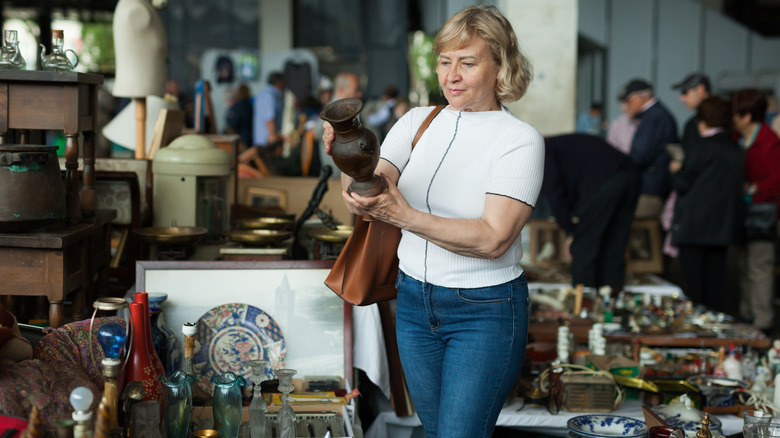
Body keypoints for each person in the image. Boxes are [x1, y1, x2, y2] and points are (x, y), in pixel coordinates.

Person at [323, 6, 543, 437]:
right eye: (445, 62)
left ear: (501, 66)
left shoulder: (519, 140)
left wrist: (406, 216)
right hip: (413, 302)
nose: (452, 76)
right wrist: (346, 159)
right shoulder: (417, 121)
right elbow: (370, 195)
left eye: (468, 62)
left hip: (485, 311)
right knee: (436, 430)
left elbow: (493, 239)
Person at [669, 96, 744, 313]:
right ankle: (715, 334)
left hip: (695, 226)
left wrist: (676, 170)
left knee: (693, 287)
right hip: (723, 226)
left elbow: (683, 184)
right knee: (717, 285)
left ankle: (695, 336)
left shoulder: (700, 147)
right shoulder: (736, 151)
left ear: (702, 121)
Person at [543, 134, 640, 292]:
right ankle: (611, 303)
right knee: (613, 244)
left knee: (582, 248)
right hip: (631, 175)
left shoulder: (541, 150)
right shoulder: (558, 144)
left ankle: (584, 309)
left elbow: (555, 193)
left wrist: (570, 231)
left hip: (606, 180)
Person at [732, 88, 780, 333]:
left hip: (763, 212)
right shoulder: (736, 138)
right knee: (742, 265)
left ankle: (763, 320)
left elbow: (776, 180)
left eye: (736, 114)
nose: (732, 119)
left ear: (747, 116)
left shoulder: (770, 142)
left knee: (759, 266)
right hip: (741, 213)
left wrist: (752, 188)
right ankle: (746, 314)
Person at [619, 78, 678, 218]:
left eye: (629, 100)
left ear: (639, 98)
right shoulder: (655, 115)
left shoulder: (654, 117)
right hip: (653, 185)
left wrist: (619, 165)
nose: (627, 106)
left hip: (650, 188)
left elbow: (641, 155)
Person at [316, 71, 363, 179]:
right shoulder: (335, 110)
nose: (359, 94)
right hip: (337, 179)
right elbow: (316, 132)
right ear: (341, 90)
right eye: (356, 90)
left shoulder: (345, 109)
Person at [672, 72, 712, 147]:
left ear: (700, 89)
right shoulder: (691, 124)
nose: (682, 99)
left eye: (685, 92)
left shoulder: (722, 119)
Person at [253, 71, 285, 151]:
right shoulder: (269, 96)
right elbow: (269, 120)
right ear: (279, 82)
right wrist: (275, 141)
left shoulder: (263, 94)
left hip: (263, 142)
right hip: (268, 144)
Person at [225, 84, 253, 149]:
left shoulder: (236, 108)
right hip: (250, 138)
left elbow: (231, 125)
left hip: (239, 140)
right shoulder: (252, 107)